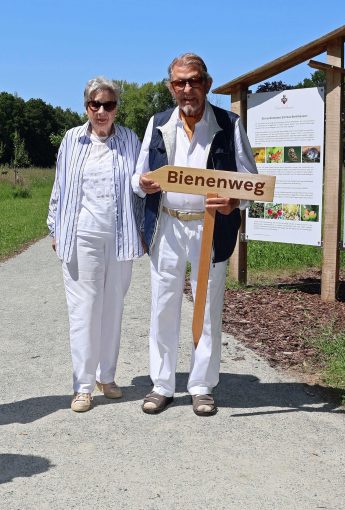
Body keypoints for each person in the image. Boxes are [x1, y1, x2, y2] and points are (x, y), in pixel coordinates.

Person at [132, 53, 258, 416]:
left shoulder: (228, 123)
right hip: (167, 226)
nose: (187, 89)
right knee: (163, 307)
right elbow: (138, 178)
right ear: (171, 87)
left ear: (207, 83)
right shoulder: (158, 124)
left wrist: (234, 202)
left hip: (210, 227)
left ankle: (202, 385)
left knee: (206, 308)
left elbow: (251, 182)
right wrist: (142, 183)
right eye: (179, 83)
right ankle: (162, 385)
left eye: (194, 81)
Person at [47, 77, 144, 413]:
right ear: (86, 106)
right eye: (95, 105)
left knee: (113, 307)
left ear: (117, 108)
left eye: (109, 105)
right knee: (84, 310)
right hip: (81, 235)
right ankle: (83, 386)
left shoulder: (130, 139)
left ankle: (107, 376)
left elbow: (140, 185)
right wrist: (54, 229)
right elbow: (59, 187)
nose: (102, 111)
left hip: (120, 236)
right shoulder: (72, 139)